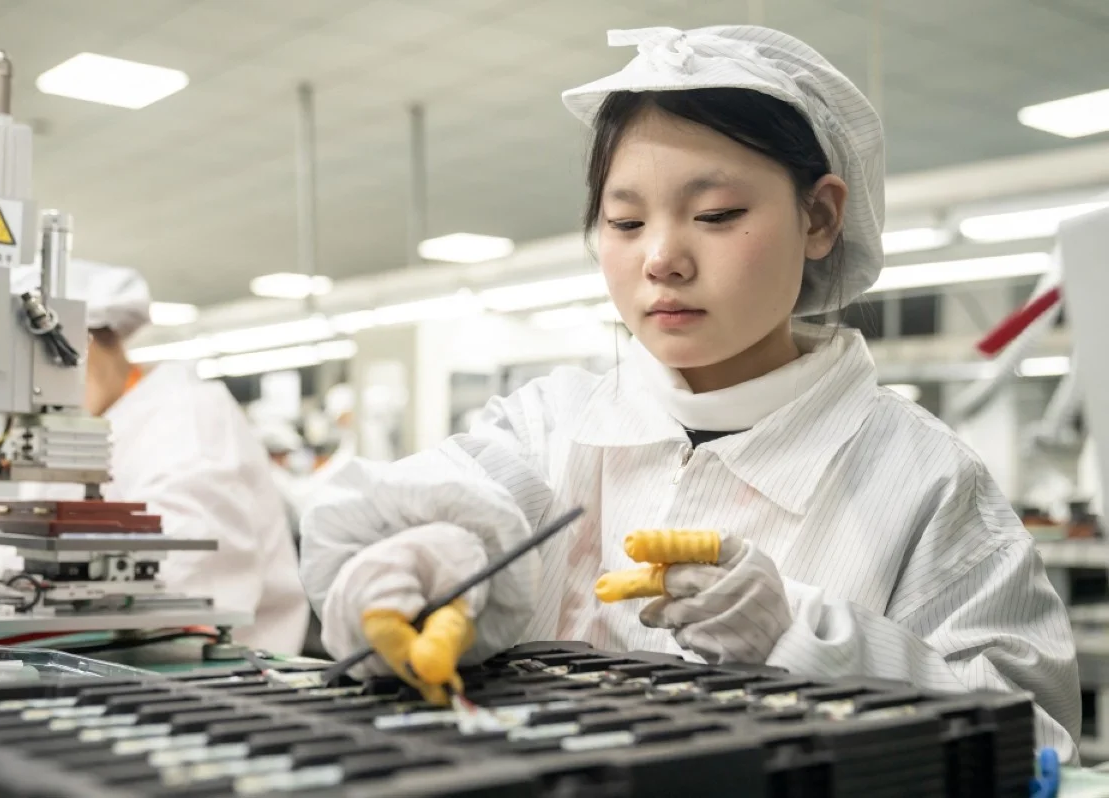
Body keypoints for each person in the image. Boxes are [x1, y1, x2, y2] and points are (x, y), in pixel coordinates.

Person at [300, 26, 1079, 757]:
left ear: (819, 216)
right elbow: (370, 528)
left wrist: (809, 635)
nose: (662, 258)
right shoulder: (546, 428)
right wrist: (402, 576)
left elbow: (1039, 745)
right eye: (625, 221)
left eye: (715, 213)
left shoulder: (927, 482)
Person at [8, 260, 309, 654]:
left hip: (214, 675)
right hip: (107, 657)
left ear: (78, 344)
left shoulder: (188, 415)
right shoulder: (79, 427)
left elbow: (181, 574)